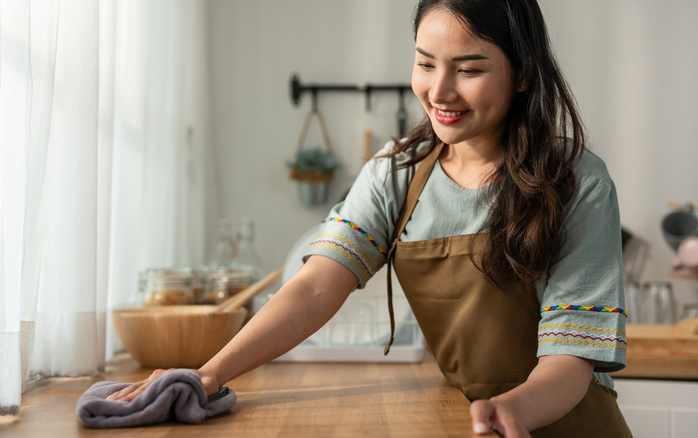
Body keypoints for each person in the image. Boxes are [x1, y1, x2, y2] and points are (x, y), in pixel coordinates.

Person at [110, 0, 632, 436]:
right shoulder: (396, 174)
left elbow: (572, 360)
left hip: (567, 424)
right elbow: (315, 287)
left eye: (469, 70)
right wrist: (207, 374)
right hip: (466, 424)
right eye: (426, 64)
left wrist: (510, 410)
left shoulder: (577, 181)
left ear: (522, 74)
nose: (440, 91)